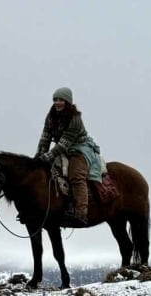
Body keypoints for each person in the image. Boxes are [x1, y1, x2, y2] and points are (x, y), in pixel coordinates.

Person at [36, 87, 103, 226]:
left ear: (68, 102)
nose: (58, 102)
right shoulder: (50, 116)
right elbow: (45, 138)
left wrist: (47, 157)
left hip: (79, 148)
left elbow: (63, 144)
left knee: (76, 175)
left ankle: (81, 212)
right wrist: (38, 156)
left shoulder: (75, 118)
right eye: (55, 100)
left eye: (61, 100)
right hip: (63, 148)